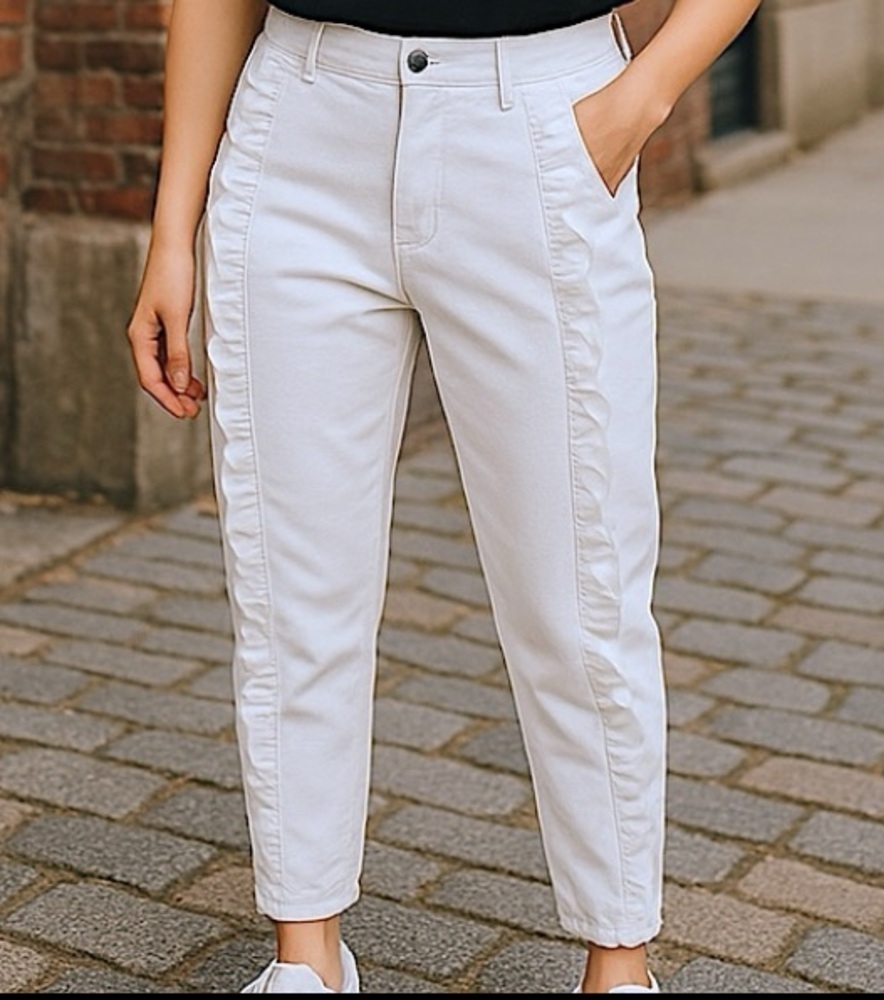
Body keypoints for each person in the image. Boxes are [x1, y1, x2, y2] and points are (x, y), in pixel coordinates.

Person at [126, 0, 761, 993]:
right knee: (293, 589)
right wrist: (174, 226)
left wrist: (638, 101)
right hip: (300, 136)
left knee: (578, 595)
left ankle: (618, 962)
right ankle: (306, 958)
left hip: (537, 125)